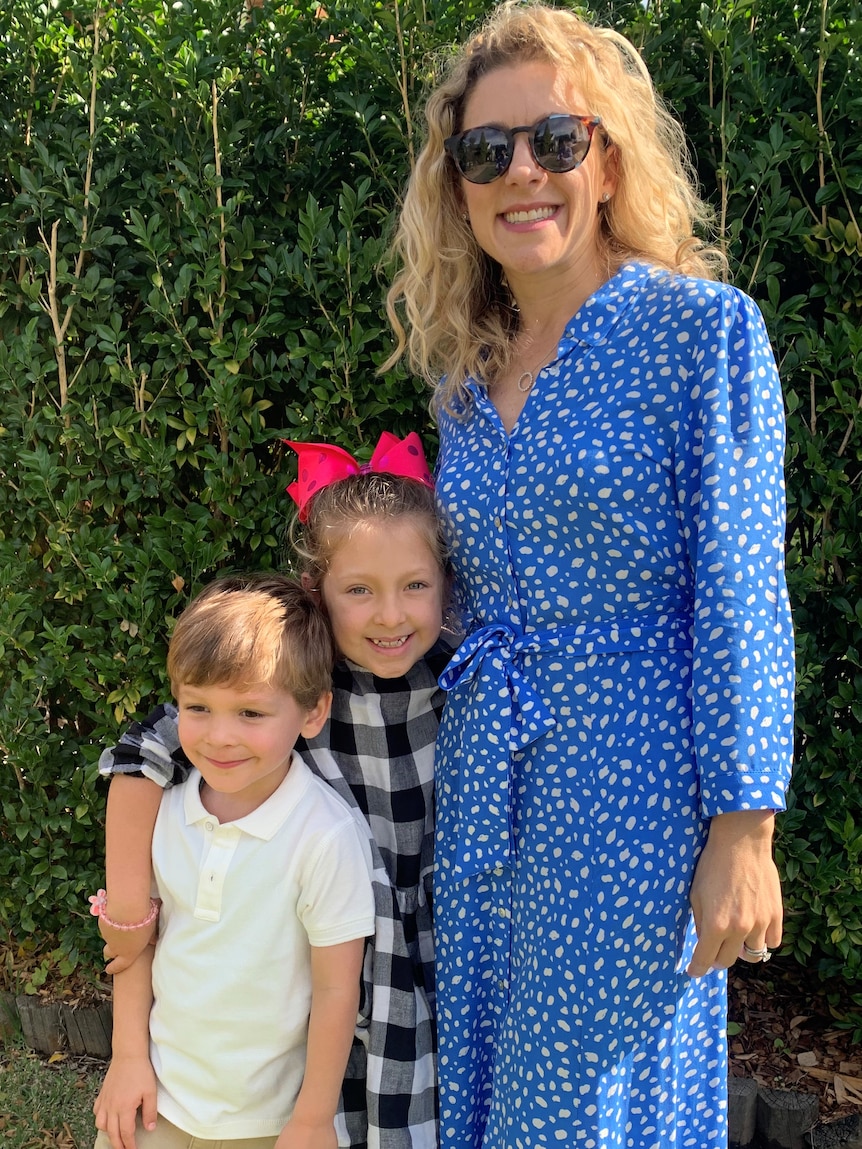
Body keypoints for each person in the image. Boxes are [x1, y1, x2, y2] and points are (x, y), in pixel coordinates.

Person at [383, 3, 795, 1147]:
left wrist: (743, 832)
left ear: (607, 159)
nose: (523, 171)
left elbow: (741, 595)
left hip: (635, 795)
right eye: (485, 150)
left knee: (583, 1109)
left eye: (556, 140)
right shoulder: (461, 378)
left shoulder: (699, 333)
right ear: (455, 183)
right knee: (488, 1084)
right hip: (484, 790)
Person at [96, 433, 451, 1149]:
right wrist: (130, 909)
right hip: (307, 933)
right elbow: (140, 755)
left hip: (422, 947)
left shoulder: (465, 672)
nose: (390, 616)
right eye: (359, 590)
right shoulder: (285, 678)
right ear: (317, 594)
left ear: (447, 582)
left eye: (416, 584)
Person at [92, 573, 376, 1149]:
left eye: (250, 713)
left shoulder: (324, 835)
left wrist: (313, 1118)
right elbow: (139, 947)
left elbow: (336, 992)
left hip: (266, 1124)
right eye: (198, 706)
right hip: (155, 1103)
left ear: (312, 713)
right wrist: (126, 1060)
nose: (220, 737)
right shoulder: (165, 806)